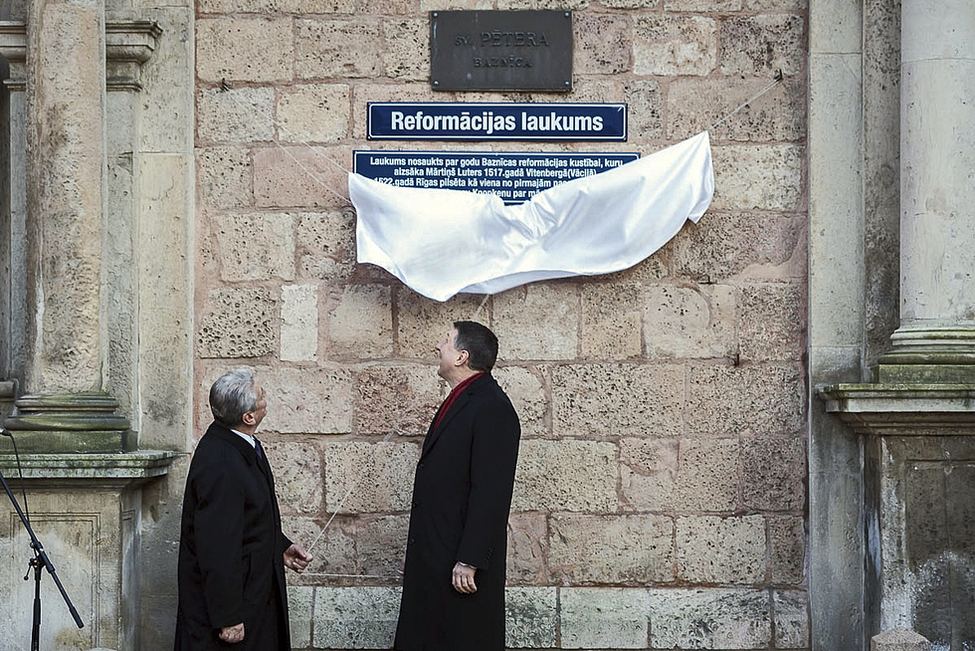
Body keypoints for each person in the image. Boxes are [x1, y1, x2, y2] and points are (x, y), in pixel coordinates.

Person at [394, 320, 522, 651]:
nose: (439, 347)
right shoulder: (462, 398)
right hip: (435, 555)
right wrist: (418, 549)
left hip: (460, 564)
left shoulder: (492, 407)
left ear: (462, 356)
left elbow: (491, 490)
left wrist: (471, 557)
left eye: (446, 341)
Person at [175, 369, 312, 650]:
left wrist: (280, 547)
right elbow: (216, 547)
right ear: (248, 417)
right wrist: (228, 617)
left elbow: (247, 518)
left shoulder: (239, 444)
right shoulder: (222, 464)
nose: (266, 399)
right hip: (234, 611)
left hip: (255, 597)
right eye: (262, 396)